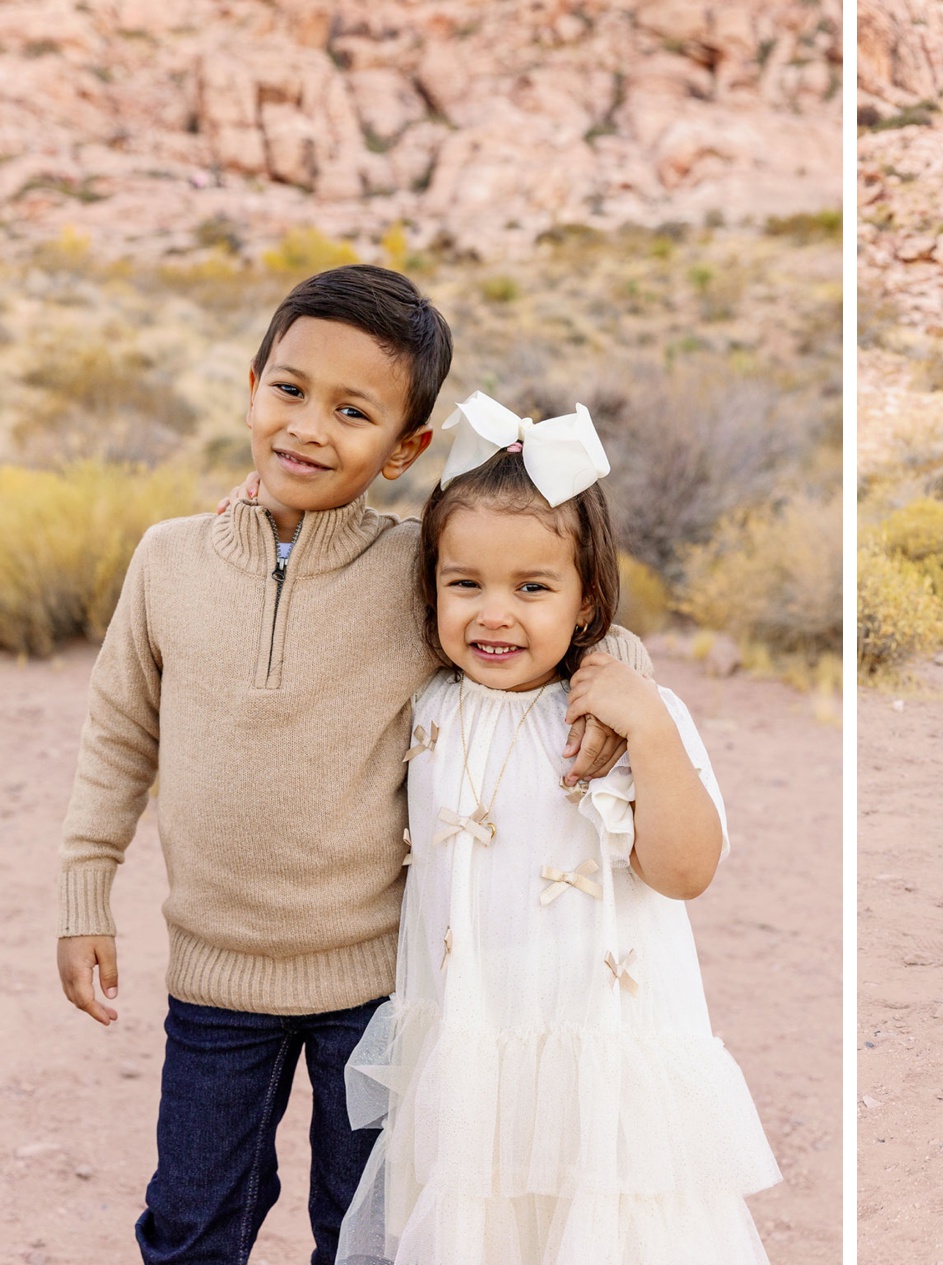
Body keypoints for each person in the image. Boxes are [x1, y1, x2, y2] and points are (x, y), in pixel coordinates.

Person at [54, 266, 649, 1263]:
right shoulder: (166, 560)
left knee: (366, 1224)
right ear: (251, 385)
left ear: (403, 448)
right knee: (191, 1218)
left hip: (376, 980)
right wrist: (84, 890)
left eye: (352, 409)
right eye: (288, 389)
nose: (308, 426)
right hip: (214, 978)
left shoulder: (413, 573)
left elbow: (532, 617)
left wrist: (617, 661)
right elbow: (118, 735)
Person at [334, 394, 778, 1263]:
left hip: (598, 1060)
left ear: (586, 602)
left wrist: (646, 726)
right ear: (429, 587)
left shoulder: (622, 717)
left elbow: (685, 871)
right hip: (470, 1067)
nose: (494, 613)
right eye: (465, 583)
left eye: (532, 587)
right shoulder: (422, 707)